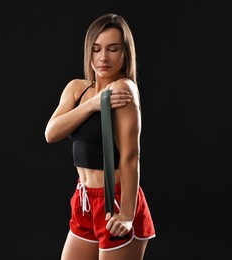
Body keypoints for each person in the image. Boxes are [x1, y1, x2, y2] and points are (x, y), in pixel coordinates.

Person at [44, 13, 156, 260]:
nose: (103, 58)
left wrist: (127, 214)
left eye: (113, 49)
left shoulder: (123, 89)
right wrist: (93, 104)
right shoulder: (77, 88)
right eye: (96, 49)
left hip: (115, 200)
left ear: (125, 52)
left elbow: (130, 156)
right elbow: (51, 133)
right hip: (84, 199)